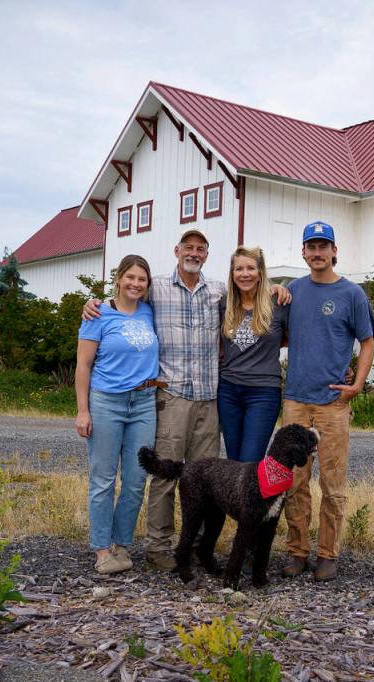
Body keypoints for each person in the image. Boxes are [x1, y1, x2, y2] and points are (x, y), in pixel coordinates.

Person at [82, 230, 290, 571]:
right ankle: (159, 547)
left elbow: (253, 291)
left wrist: (280, 287)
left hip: (210, 399)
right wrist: (94, 304)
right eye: (188, 247)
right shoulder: (157, 288)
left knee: (208, 480)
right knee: (165, 475)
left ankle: (196, 548)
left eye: (200, 249)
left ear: (207, 255)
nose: (193, 253)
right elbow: (125, 299)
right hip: (172, 396)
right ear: (177, 251)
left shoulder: (220, 292)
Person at [281, 220, 374, 582]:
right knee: (294, 481)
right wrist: (273, 288)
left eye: (324, 246)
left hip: (333, 402)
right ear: (303, 252)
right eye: (311, 247)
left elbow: (367, 342)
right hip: (295, 401)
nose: (318, 253)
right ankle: (297, 551)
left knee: (333, 483)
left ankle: (327, 554)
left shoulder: (352, 294)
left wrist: (358, 383)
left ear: (335, 251)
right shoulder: (294, 290)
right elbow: (281, 332)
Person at [75, 254, 160, 574]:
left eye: (142, 279)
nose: (136, 284)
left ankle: (122, 545)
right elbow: (83, 365)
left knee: (137, 480)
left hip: (143, 403)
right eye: (131, 277)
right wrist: (83, 410)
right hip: (107, 402)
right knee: (103, 479)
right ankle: (101, 550)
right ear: (119, 278)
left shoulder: (149, 312)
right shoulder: (97, 313)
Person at [217, 246, 289, 462]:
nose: (245, 274)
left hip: (263, 392)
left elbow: (291, 339)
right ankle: (233, 498)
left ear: (260, 272)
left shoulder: (278, 304)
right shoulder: (224, 304)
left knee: (249, 461)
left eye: (250, 268)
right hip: (228, 390)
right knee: (233, 462)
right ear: (232, 274)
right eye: (239, 269)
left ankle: (248, 497)